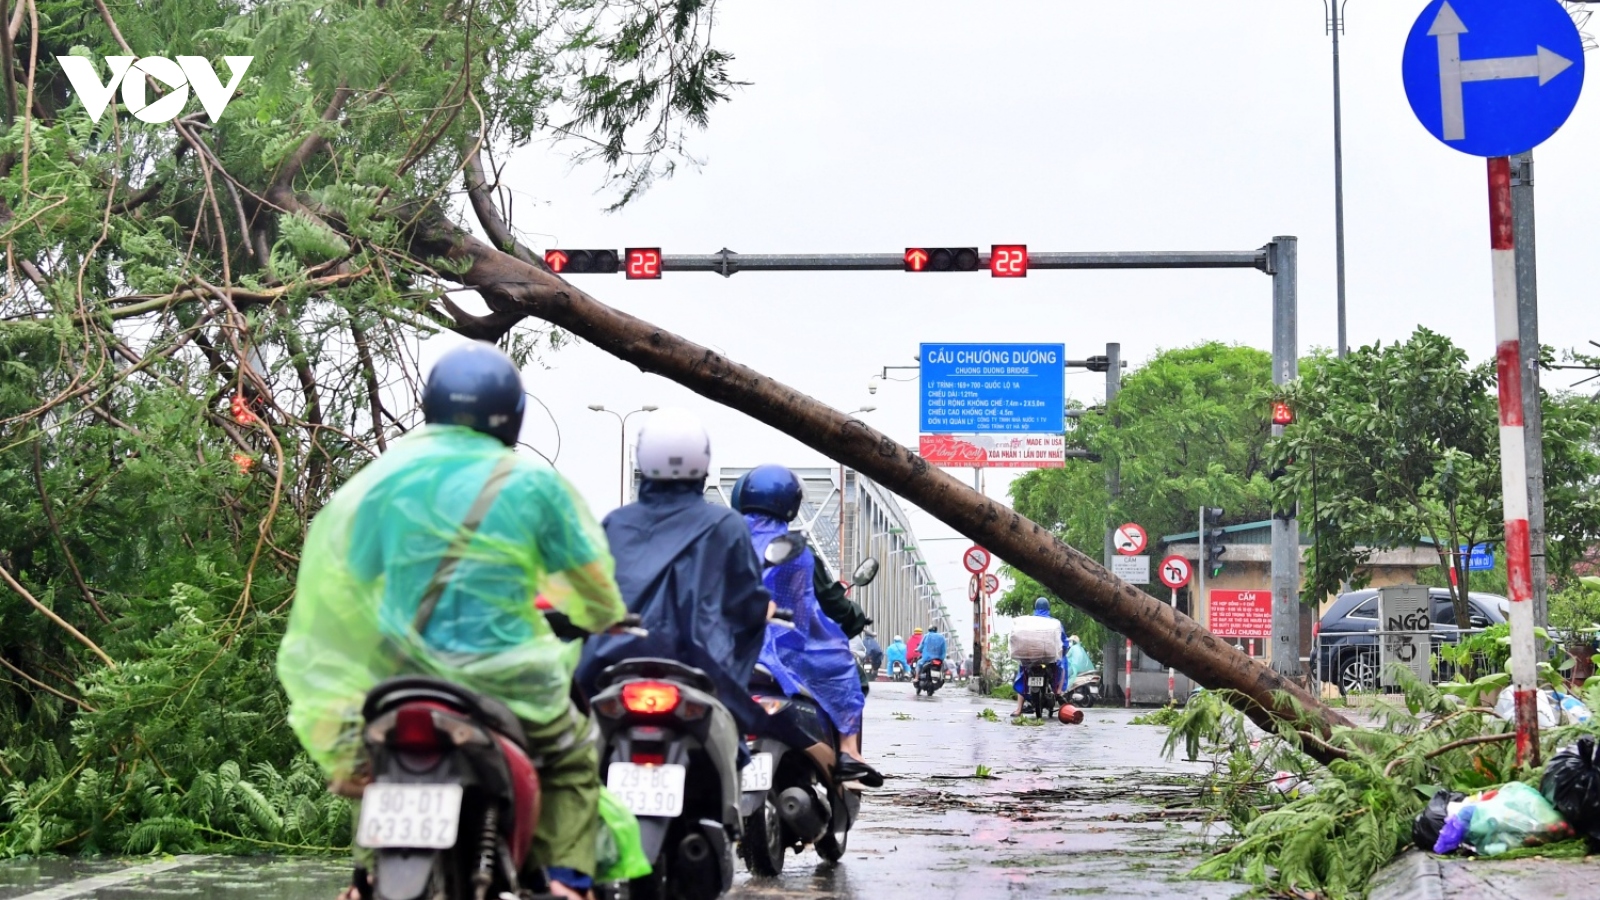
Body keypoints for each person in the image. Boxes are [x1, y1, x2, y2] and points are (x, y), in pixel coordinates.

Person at [277, 340, 627, 900]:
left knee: (378, 761)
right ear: (512, 416)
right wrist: (605, 617)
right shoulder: (533, 485)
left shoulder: (384, 481)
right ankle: (564, 883)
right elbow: (589, 586)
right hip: (509, 681)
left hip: (397, 677)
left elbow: (349, 581)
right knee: (569, 755)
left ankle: (365, 878)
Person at [574, 409, 773, 750]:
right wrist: (762, 609)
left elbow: (591, 595)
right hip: (702, 663)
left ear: (642, 460)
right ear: (704, 461)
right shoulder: (726, 525)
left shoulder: (616, 523)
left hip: (611, 662)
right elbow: (744, 603)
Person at [732, 465, 883, 787]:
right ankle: (848, 752)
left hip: (727, 646)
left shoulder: (722, 538)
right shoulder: (796, 548)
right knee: (845, 667)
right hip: (780, 646)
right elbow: (808, 609)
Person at [1012, 597, 1070, 717]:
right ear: (1048, 608)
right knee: (1063, 664)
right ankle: (1058, 692)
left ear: (1035, 608)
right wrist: (1063, 651)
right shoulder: (1055, 623)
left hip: (1030, 659)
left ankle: (1018, 709)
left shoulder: (1028, 622)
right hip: (1049, 659)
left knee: (1022, 675)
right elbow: (1063, 642)